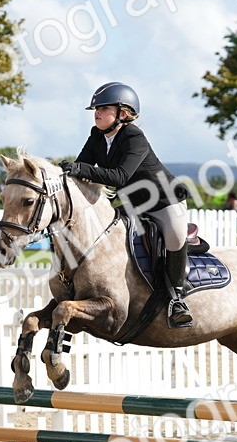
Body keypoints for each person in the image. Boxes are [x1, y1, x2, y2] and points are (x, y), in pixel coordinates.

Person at [59, 82, 194, 328]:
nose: (97, 113)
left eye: (103, 108)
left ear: (123, 113)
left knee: (175, 237)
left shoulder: (134, 137)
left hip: (164, 201)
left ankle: (177, 298)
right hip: (132, 203)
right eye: (95, 109)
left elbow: (120, 176)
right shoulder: (96, 136)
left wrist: (79, 168)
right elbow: (81, 169)